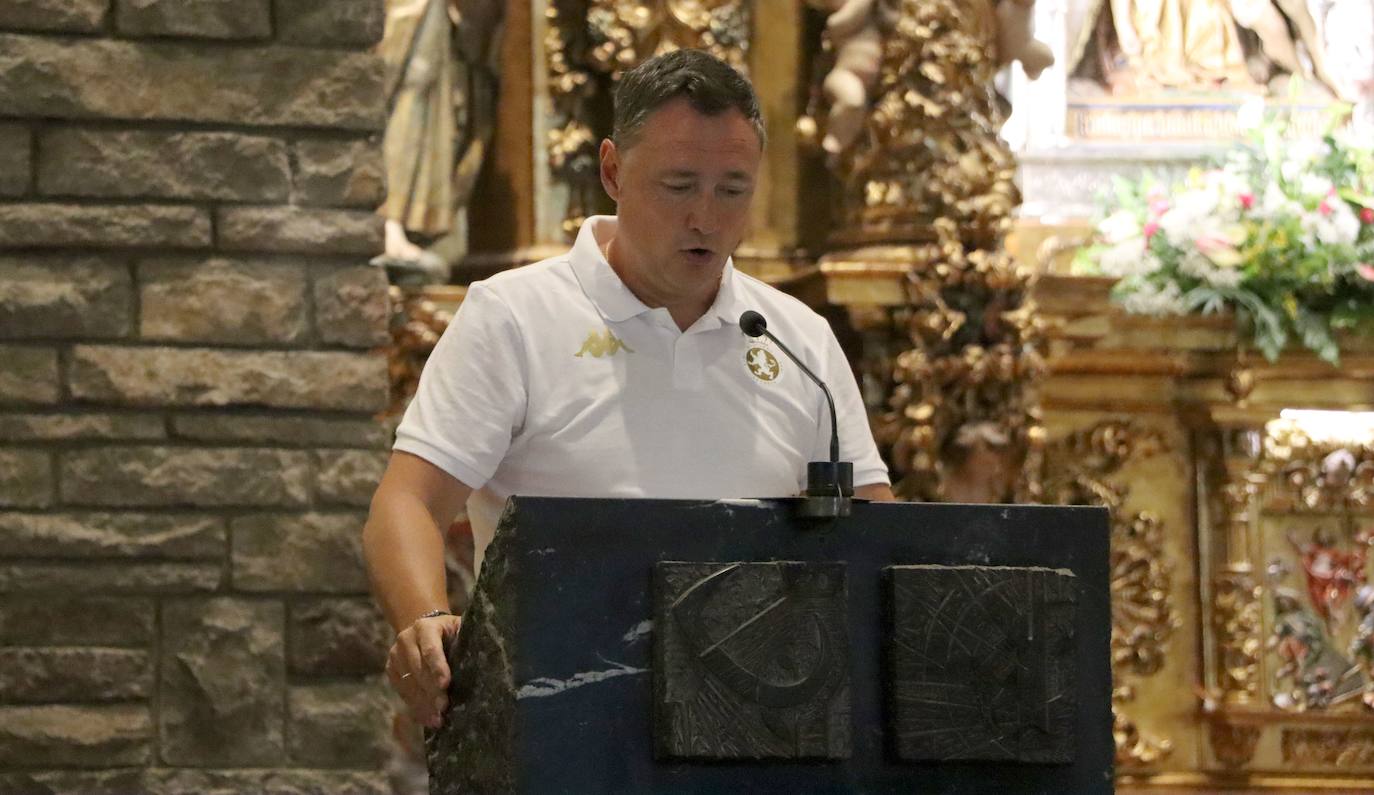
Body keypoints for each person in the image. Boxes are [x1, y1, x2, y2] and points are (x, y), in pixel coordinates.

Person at [363, 48, 895, 732]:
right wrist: (426, 620)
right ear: (613, 171)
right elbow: (406, 500)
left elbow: (879, 537)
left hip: (766, 726)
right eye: (679, 186)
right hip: (562, 710)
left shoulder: (800, 339)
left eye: (732, 189)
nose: (706, 218)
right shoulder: (514, 316)